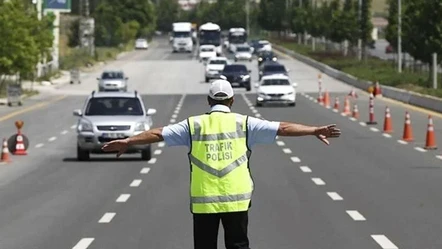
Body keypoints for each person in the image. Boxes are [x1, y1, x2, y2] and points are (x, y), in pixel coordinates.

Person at [102, 79, 341, 249]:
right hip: (237, 199)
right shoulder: (245, 123)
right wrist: (313, 130)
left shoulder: (193, 125)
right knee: (238, 245)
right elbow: (283, 128)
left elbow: (157, 133)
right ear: (232, 100)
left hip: (204, 202)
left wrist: (129, 141)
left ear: (208, 100)